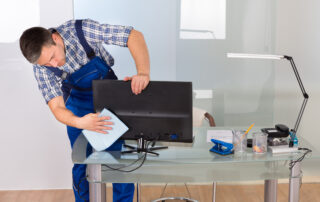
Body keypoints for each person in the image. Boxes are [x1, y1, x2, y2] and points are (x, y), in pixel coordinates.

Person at [19, 18, 150, 202]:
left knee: (121, 160)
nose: (54, 65)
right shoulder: (41, 68)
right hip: (77, 106)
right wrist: (81, 122)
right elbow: (56, 107)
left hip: (109, 96)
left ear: (55, 38)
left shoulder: (81, 31)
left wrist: (143, 73)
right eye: (47, 64)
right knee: (82, 163)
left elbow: (133, 36)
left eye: (52, 57)